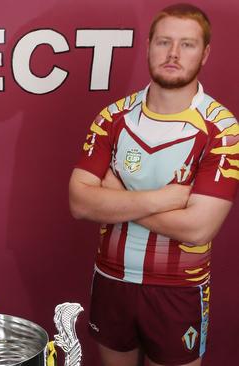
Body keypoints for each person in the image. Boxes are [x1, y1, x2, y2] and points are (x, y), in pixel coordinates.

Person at [69, 4, 238, 366]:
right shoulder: (113, 117)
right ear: (148, 45)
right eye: (164, 42)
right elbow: (80, 202)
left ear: (205, 53)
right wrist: (166, 198)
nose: (173, 53)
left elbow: (197, 228)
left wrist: (116, 198)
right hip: (111, 281)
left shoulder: (221, 128)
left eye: (187, 44)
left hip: (178, 290)